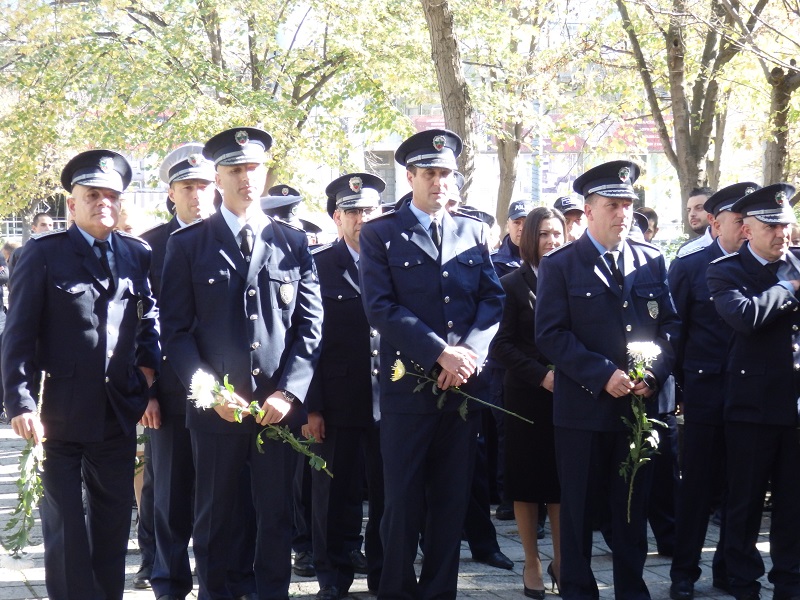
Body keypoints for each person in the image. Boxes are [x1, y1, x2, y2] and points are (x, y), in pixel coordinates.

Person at [159, 127, 323, 600]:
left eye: (253, 168)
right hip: (216, 410)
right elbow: (176, 331)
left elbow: (309, 329)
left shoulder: (293, 243)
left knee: (276, 518)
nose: (246, 178)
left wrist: (287, 391)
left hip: (275, 410)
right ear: (218, 178)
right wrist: (209, 391)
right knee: (214, 520)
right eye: (234, 170)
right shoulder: (188, 245)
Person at [2, 149, 159, 600]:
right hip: (58, 414)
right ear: (72, 204)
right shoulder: (42, 254)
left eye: (111, 196)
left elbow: (150, 317)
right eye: (92, 195)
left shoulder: (136, 254)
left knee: (112, 523)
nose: (102, 203)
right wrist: (20, 400)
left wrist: (148, 373)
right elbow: (19, 332)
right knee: (66, 522)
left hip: (115, 410)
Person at [359, 128, 504, 600]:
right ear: (410, 177)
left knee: (450, 501)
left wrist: (469, 356)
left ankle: (440, 591)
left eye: (446, 174)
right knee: (401, 503)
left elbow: (491, 300)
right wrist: (439, 351)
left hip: (461, 387)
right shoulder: (380, 232)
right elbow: (380, 307)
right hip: (408, 391)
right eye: (430, 174)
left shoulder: (473, 230)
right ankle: (396, 590)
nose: (440, 183)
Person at [535, 160, 680, 600]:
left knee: (632, 508)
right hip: (584, 409)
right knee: (578, 512)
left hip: (638, 411)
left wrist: (652, 375)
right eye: (612, 205)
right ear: (589, 209)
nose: (623, 214)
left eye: (628, 205)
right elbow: (550, 334)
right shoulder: (561, 264)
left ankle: (631, 591)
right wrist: (603, 375)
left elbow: (670, 327)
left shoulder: (651, 260)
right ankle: (578, 590)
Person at [706, 183, 800, 600]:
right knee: (743, 503)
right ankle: (743, 581)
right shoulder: (725, 270)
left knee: (792, 504)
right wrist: (789, 290)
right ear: (747, 229)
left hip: (794, 406)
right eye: (772, 227)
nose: (782, 234)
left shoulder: (796, 263)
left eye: (787, 225)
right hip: (751, 407)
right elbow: (745, 316)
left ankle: (790, 581)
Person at [667, 182, 758, 600]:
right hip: (705, 389)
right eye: (740, 222)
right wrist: (681, 386)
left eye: (749, 222)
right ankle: (684, 571)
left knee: (743, 486)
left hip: (753, 393)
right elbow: (675, 330)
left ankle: (731, 568)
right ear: (716, 222)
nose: (746, 230)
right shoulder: (690, 264)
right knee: (697, 486)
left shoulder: (762, 264)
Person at [140, 143, 218, 600]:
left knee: (221, 491)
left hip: (226, 389)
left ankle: (221, 577)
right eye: (187, 187)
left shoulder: (232, 238)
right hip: (168, 389)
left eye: (204, 186)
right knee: (168, 490)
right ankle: (168, 580)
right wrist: (145, 390)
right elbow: (138, 325)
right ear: (171, 193)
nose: (197, 195)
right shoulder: (149, 245)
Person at [303, 172, 386, 600]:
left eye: (368, 210)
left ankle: (383, 573)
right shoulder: (317, 264)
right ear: (336, 218)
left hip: (390, 399)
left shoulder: (394, 260)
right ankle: (332, 576)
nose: (361, 218)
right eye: (352, 211)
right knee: (333, 494)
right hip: (335, 401)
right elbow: (306, 341)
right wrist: (311, 407)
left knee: (389, 494)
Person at [493, 206, 565, 598]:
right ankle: (532, 562)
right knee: (526, 483)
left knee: (561, 484)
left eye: (557, 233)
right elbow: (500, 344)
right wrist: (541, 374)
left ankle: (562, 559)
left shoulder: (575, 277)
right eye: (544, 234)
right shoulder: (510, 284)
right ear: (529, 238)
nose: (552, 240)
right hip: (525, 396)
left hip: (569, 397)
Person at [493, 199, 535, 277]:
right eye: (516, 222)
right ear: (508, 225)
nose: (522, 228)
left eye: (527, 223)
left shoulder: (545, 258)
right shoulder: (492, 262)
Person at [676, 187, 715, 258]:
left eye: (699, 208)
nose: (692, 214)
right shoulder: (686, 251)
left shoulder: (733, 244)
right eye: (689, 210)